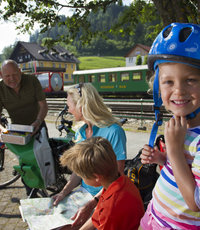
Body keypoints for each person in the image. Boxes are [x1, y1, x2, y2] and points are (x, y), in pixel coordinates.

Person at [139, 22, 200, 229]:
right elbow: (183, 171)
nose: (179, 90)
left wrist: (173, 151)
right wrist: (162, 159)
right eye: (168, 82)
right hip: (154, 216)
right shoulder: (181, 127)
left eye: (190, 80)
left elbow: (195, 202)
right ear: (157, 87)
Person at [53, 82, 127, 228]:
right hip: (84, 196)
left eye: (69, 105)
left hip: (105, 198)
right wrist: (64, 192)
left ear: (81, 105)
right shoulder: (81, 132)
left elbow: (116, 177)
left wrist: (92, 203)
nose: (68, 110)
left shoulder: (114, 131)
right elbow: (79, 171)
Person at [60, 136, 144, 230]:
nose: (82, 179)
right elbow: (96, 218)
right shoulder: (118, 181)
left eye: (82, 176)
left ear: (96, 177)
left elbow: (104, 216)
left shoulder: (111, 208)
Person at [0, 59, 48, 197]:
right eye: (7, 76)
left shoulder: (32, 81)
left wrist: (38, 122)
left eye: (15, 74)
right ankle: (31, 193)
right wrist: (2, 130)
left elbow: (43, 105)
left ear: (20, 71)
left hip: (38, 125)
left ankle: (48, 184)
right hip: (18, 131)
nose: (12, 79)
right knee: (25, 163)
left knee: (43, 158)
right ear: (1, 75)